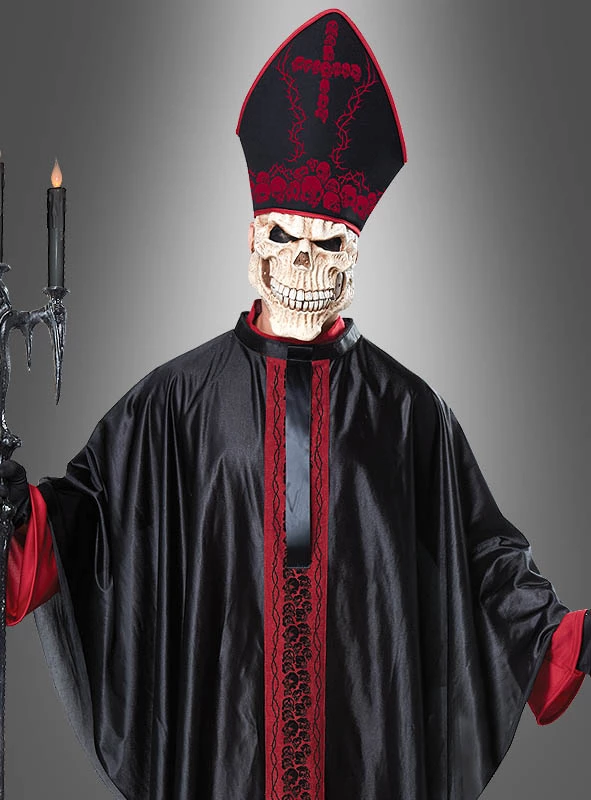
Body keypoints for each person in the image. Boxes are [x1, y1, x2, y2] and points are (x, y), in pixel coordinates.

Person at [1, 9, 590, 800]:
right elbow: (84, 527)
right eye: (285, 237)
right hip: (224, 744)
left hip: (363, 741)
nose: (304, 261)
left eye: (328, 241)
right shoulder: (176, 401)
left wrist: (560, 640)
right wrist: (19, 515)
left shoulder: (407, 410)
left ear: (355, 254)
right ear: (253, 244)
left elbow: (482, 556)